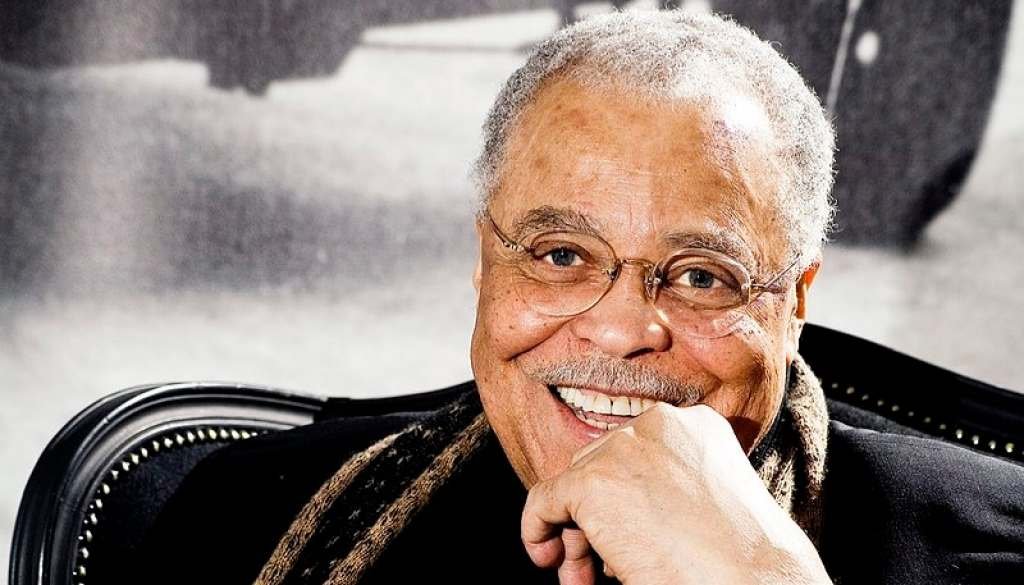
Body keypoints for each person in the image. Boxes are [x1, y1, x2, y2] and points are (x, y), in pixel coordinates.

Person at [133, 10, 1024, 585]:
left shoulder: (995, 549)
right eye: (561, 253)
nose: (619, 327)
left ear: (795, 303)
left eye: (702, 275)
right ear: (485, 263)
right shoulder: (246, 520)